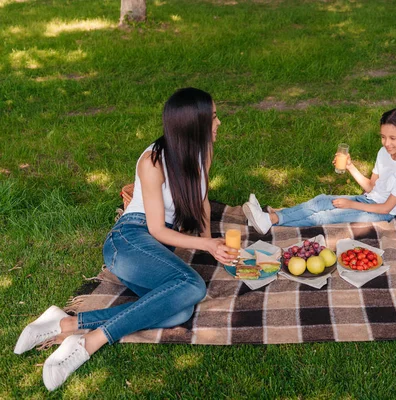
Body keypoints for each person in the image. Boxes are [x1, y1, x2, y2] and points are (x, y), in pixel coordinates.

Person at [13, 88, 238, 391]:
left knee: (180, 311)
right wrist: (206, 244)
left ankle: (67, 324)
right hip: (129, 239)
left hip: (157, 249)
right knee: (193, 286)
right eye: (212, 117)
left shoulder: (203, 150)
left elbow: (202, 200)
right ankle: (91, 341)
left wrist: (211, 241)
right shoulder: (153, 162)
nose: (219, 122)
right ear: (192, 123)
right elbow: (156, 229)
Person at [243, 108, 396, 235]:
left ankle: (270, 220)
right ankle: (267, 218)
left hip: (381, 213)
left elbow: (386, 208)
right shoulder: (384, 152)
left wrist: (351, 204)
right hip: (367, 199)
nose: (386, 143)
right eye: (383, 137)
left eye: (392, 138)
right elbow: (370, 187)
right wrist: (350, 166)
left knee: (324, 216)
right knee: (321, 200)